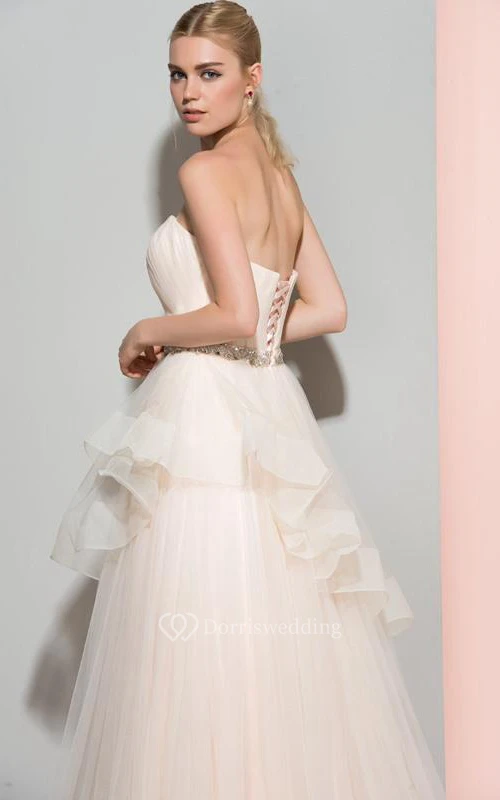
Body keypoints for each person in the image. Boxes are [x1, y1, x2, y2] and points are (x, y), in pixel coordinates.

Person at [50, 2, 446, 797]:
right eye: (177, 75)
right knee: (262, 617)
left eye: (209, 73)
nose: (189, 93)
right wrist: (260, 337)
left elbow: (233, 312)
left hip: (203, 414)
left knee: (190, 621)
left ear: (251, 79)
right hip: (267, 411)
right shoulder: (281, 180)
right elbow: (327, 309)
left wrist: (147, 330)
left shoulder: (203, 174)